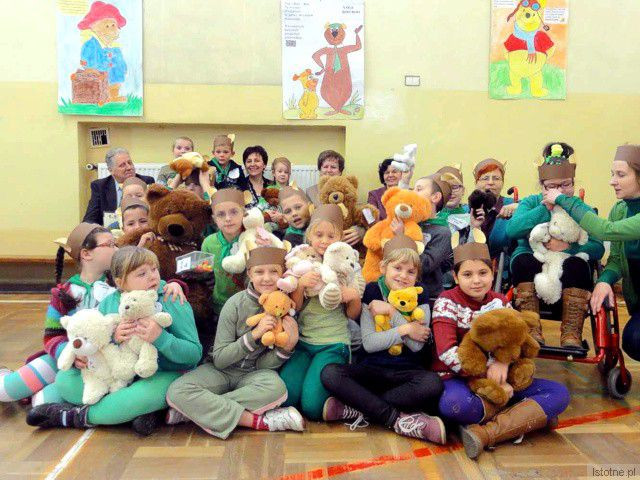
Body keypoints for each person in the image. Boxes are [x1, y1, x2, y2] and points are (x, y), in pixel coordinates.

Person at [26, 246, 200, 436]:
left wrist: (161, 338)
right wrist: (111, 339)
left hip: (162, 374)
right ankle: (131, 413)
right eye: (142, 273)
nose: (152, 277)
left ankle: (73, 416)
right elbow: (93, 342)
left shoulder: (172, 298)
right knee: (64, 380)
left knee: (144, 396)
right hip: (119, 375)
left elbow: (193, 355)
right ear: (120, 282)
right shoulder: (109, 303)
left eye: (154, 269)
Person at [432, 242, 569, 459]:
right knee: (453, 405)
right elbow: (447, 352)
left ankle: (485, 433)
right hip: (458, 378)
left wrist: (503, 363)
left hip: (502, 379)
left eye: (483, 273)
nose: (476, 280)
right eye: (467, 274)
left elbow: (517, 339)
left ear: (493, 271)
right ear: (456, 277)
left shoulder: (500, 301)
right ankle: (524, 419)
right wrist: (490, 373)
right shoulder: (447, 301)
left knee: (559, 393)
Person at [166, 247, 305, 437]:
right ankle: (258, 421)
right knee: (177, 391)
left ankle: (197, 411)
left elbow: (263, 366)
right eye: (259, 272)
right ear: (250, 274)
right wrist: (255, 334)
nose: (266, 278)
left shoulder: (284, 307)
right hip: (220, 371)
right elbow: (220, 359)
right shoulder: (235, 303)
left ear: (283, 274)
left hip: (253, 375)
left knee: (277, 389)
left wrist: (287, 348)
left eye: (274, 271)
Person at [320, 234, 445, 443]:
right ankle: (395, 419)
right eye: (398, 268)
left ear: (417, 275)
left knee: (433, 383)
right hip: (372, 371)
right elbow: (370, 344)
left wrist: (391, 313)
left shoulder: (421, 294)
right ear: (384, 267)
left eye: (411, 271)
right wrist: (406, 329)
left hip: (407, 374)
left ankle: (360, 407)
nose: (403, 276)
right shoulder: (372, 290)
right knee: (330, 373)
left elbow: (416, 345)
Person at [0, 224, 116, 404]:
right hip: (64, 358)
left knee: (42, 403)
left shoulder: (117, 290)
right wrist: (72, 354)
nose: (116, 249)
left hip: (101, 365)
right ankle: (6, 374)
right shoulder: (63, 292)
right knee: (5, 390)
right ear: (86, 254)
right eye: (110, 245)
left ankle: (42, 389)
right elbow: (52, 337)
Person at [545, 144, 640, 361]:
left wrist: (562, 199)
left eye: (621, 175)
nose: (612, 181)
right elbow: (616, 258)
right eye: (612, 174)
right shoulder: (620, 210)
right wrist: (604, 281)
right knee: (633, 340)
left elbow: (605, 230)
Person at [507, 143, 604, 347]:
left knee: (577, 265)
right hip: (532, 258)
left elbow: (598, 246)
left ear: (573, 184)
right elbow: (512, 230)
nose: (559, 191)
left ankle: (571, 334)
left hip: (567, 265)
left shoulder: (581, 207)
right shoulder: (531, 202)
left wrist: (569, 248)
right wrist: (546, 208)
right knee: (523, 261)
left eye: (565, 185)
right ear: (542, 186)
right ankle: (531, 329)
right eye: (552, 186)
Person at [279, 205, 361, 421]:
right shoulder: (302, 261)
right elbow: (295, 308)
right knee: (286, 397)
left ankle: (343, 402)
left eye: (331, 236)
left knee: (312, 408)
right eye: (319, 235)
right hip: (304, 343)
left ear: (340, 238)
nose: (324, 241)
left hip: (333, 343)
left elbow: (352, 315)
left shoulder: (347, 265)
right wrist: (300, 286)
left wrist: (353, 296)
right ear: (309, 236)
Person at [199, 189, 248, 354]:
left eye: (234, 212)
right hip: (220, 304)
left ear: (244, 213)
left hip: (247, 305)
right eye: (221, 214)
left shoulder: (250, 238)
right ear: (214, 219)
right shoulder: (209, 243)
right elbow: (205, 274)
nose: (228, 218)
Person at [83, 148, 154, 225]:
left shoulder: (146, 182)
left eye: (130, 163)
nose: (129, 168)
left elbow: (154, 214)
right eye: (122, 165)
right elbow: (89, 220)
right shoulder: (100, 186)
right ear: (111, 170)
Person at [413, 174, 454, 298]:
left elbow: (425, 266)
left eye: (419, 189)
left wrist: (403, 238)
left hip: (426, 296)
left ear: (435, 197)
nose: (413, 193)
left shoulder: (442, 232)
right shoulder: (412, 225)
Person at [469, 158, 517, 258]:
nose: (491, 182)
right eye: (485, 178)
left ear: (503, 183)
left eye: (496, 178)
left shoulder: (513, 205)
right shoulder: (467, 210)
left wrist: (519, 207)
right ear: (476, 183)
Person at [243, 145, 275, 210]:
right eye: (249, 161)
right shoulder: (240, 186)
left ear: (264, 165)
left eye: (257, 161)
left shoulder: (272, 185)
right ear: (245, 165)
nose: (252, 164)